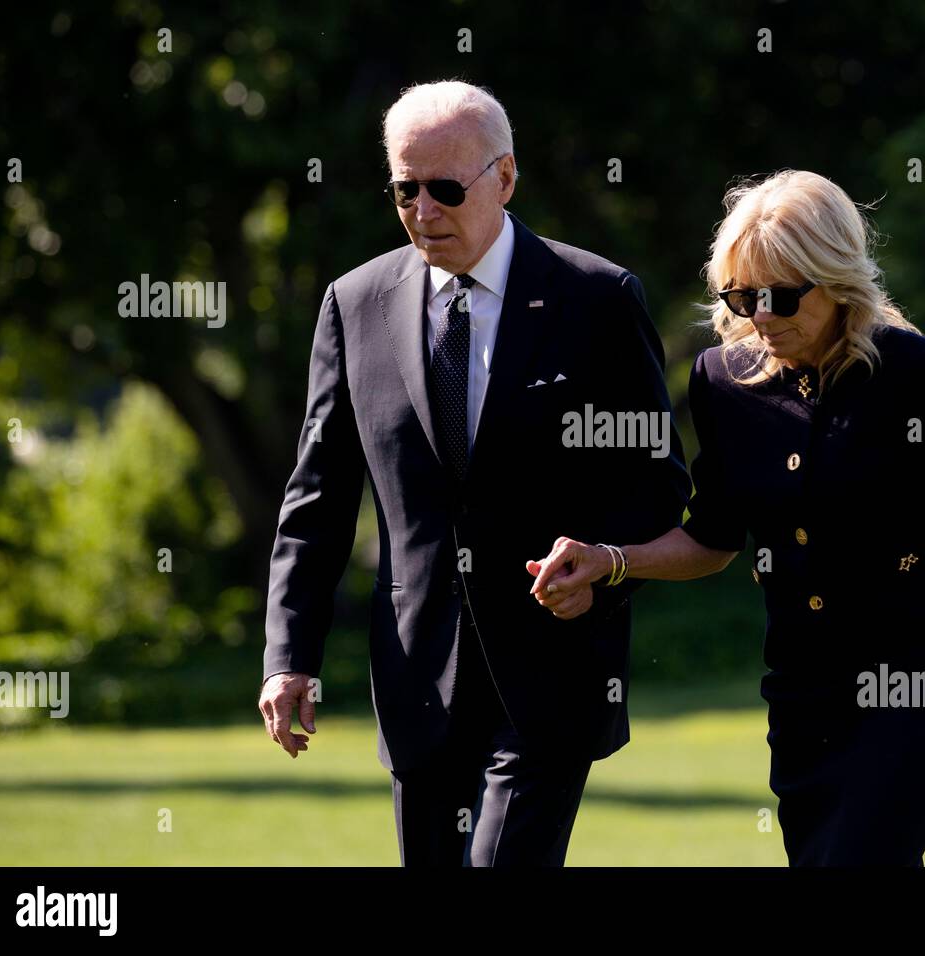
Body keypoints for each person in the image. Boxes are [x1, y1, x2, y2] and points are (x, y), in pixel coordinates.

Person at [528, 169, 925, 866]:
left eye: (779, 296)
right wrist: (611, 558)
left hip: (923, 681)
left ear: (836, 281)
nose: (761, 316)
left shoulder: (918, 372)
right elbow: (714, 538)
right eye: (741, 297)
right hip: (806, 695)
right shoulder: (722, 382)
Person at [259, 80, 690, 866]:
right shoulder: (353, 305)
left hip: (552, 677)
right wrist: (289, 657)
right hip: (417, 679)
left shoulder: (595, 299)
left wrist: (603, 568)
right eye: (404, 189)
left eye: (446, 189)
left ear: (505, 178)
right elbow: (316, 501)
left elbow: (656, 486)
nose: (424, 211)